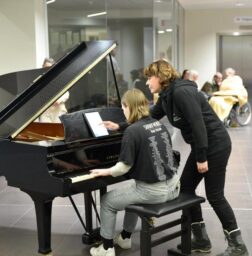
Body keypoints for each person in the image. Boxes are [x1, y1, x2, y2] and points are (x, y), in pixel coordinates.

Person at [102, 60, 248, 256]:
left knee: (215, 195)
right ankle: (201, 240)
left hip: (215, 145)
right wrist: (119, 126)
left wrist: (202, 156)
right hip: (202, 146)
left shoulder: (181, 93)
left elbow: (198, 124)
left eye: (149, 77)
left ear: (160, 77)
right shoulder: (167, 96)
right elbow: (150, 115)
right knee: (186, 188)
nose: (147, 82)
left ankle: (238, 245)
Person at [89, 89, 180, 256]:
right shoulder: (158, 124)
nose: (122, 111)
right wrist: (118, 126)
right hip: (174, 187)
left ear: (128, 107)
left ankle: (107, 248)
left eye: (123, 107)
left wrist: (104, 171)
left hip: (154, 192)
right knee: (132, 191)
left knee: (107, 201)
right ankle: (124, 237)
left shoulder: (132, 131)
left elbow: (122, 168)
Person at [39, 57, 70, 123]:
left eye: (50, 68)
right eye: (46, 67)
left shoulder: (59, 78)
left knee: (60, 132)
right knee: (46, 132)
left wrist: (59, 100)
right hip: (45, 113)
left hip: (58, 111)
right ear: (42, 67)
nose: (48, 70)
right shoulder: (38, 80)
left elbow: (66, 93)